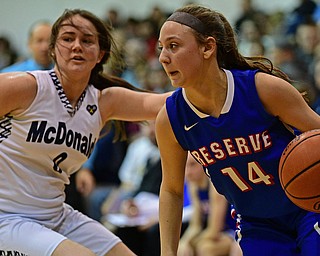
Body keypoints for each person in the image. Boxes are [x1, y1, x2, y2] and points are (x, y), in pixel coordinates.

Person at [0, 9, 171, 256]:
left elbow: (167, 104)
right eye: (68, 39)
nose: (77, 46)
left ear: (100, 53)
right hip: (8, 216)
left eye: (87, 40)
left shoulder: (103, 102)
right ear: (53, 50)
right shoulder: (26, 86)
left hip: (57, 214)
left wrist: (224, 79)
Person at [156, 4, 320, 256]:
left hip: (308, 206)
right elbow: (172, 190)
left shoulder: (262, 89)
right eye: (161, 48)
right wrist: (168, 253)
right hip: (257, 222)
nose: (163, 57)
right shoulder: (171, 118)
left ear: (208, 47)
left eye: (174, 46)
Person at [178, 154, 241, 256]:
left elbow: (215, 229)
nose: (187, 172)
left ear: (203, 165)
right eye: (184, 166)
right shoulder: (193, 187)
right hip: (219, 234)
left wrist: (193, 244)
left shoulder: (214, 185)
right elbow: (195, 226)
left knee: (206, 249)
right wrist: (185, 242)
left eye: (192, 165)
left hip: (233, 231)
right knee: (182, 248)